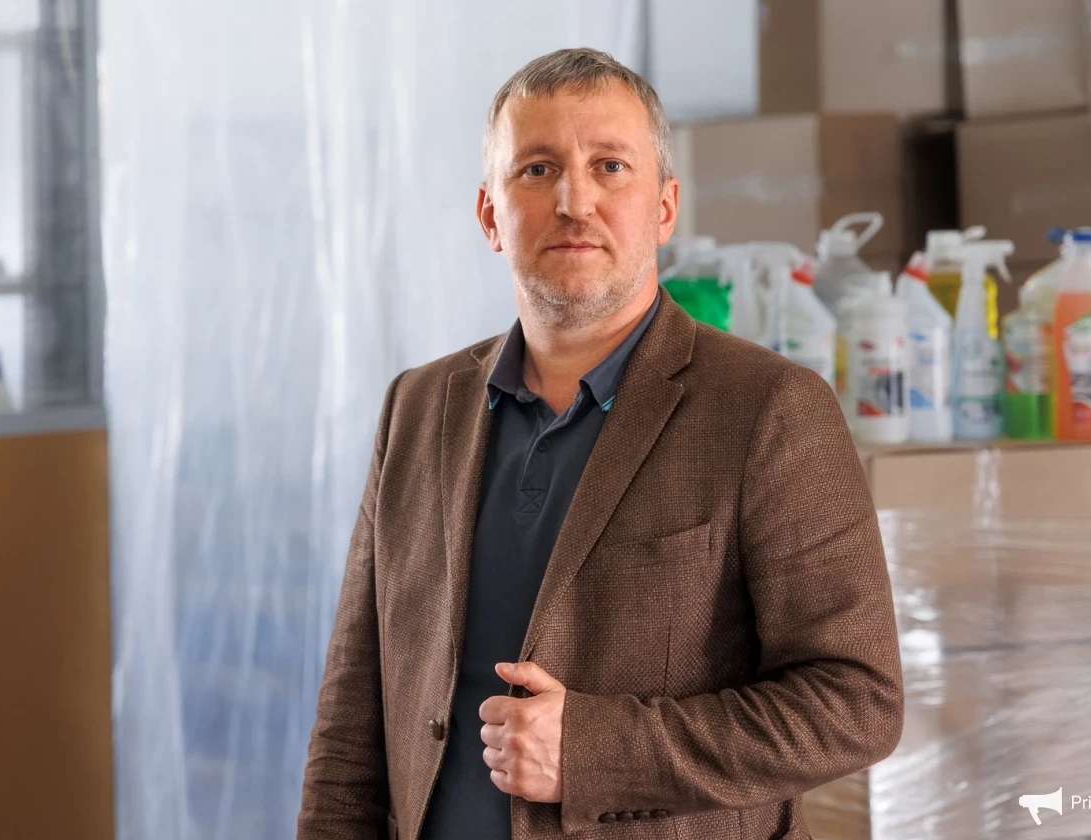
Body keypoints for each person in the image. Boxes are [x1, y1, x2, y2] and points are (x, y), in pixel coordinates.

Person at [297, 47, 903, 840]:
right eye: (537, 170)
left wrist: (592, 751)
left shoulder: (767, 409)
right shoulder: (417, 407)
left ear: (665, 208)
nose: (574, 201)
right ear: (490, 215)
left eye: (610, 166)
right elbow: (352, 718)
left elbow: (857, 701)